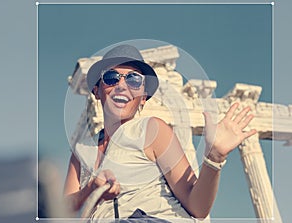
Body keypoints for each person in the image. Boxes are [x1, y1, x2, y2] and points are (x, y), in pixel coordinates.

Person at [63, 44, 256, 222]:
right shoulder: (81, 151)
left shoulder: (152, 130)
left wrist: (214, 158)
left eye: (134, 80)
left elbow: (197, 206)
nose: (122, 86)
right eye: (112, 78)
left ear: (143, 98)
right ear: (97, 90)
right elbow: (62, 211)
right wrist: (90, 190)